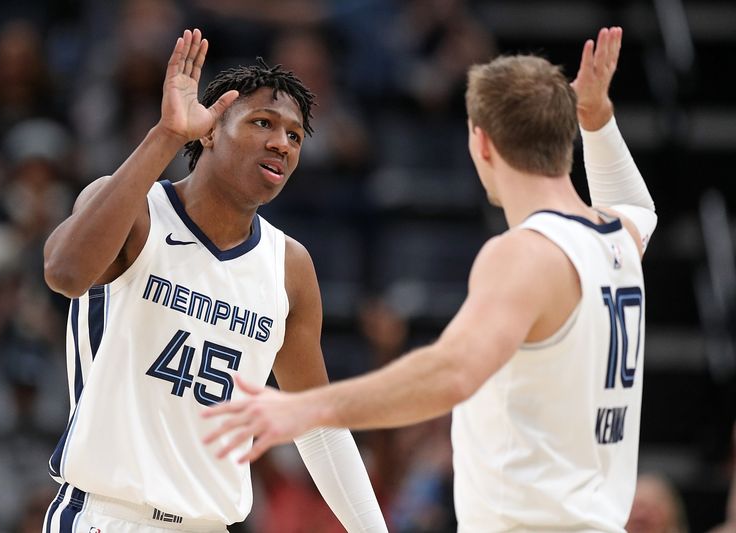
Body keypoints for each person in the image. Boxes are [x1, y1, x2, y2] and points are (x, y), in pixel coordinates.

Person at [205, 26, 659, 532]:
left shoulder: (525, 253)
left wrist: (306, 408)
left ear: (481, 142)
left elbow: (451, 373)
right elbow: (637, 204)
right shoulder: (617, 238)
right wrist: (598, 122)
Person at [41, 28, 386, 532]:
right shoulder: (134, 211)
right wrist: (166, 135)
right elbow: (65, 273)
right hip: (108, 515)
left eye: (294, 135)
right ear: (208, 131)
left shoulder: (289, 266)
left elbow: (316, 427)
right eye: (263, 122)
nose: (281, 143)